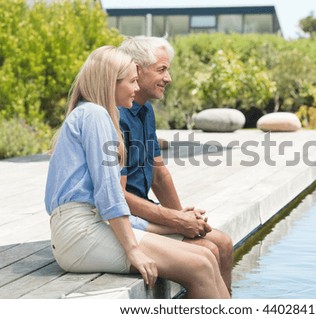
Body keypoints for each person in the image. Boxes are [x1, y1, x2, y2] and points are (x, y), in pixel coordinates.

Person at [44, 46, 230, 299]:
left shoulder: (100, 117)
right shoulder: (95, 116)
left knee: (206, 256)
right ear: (112, 82)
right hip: (80, 234)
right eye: (132, 81)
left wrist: (173, 225)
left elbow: (113, 204)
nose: (135, 88)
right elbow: (110, 198)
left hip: (92, 227)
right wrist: (134, 250)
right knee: (200, 265)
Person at [118, 36, 233, 293]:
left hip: (145, 210)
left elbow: (158, 174)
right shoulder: (116, 115)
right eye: (161, 69)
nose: (168, 78)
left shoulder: (145, 111)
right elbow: (116, 196)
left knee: (223, 244)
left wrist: (182, 217)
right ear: (137, 69)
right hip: (128, 219)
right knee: (208, 250)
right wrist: (177, 220)